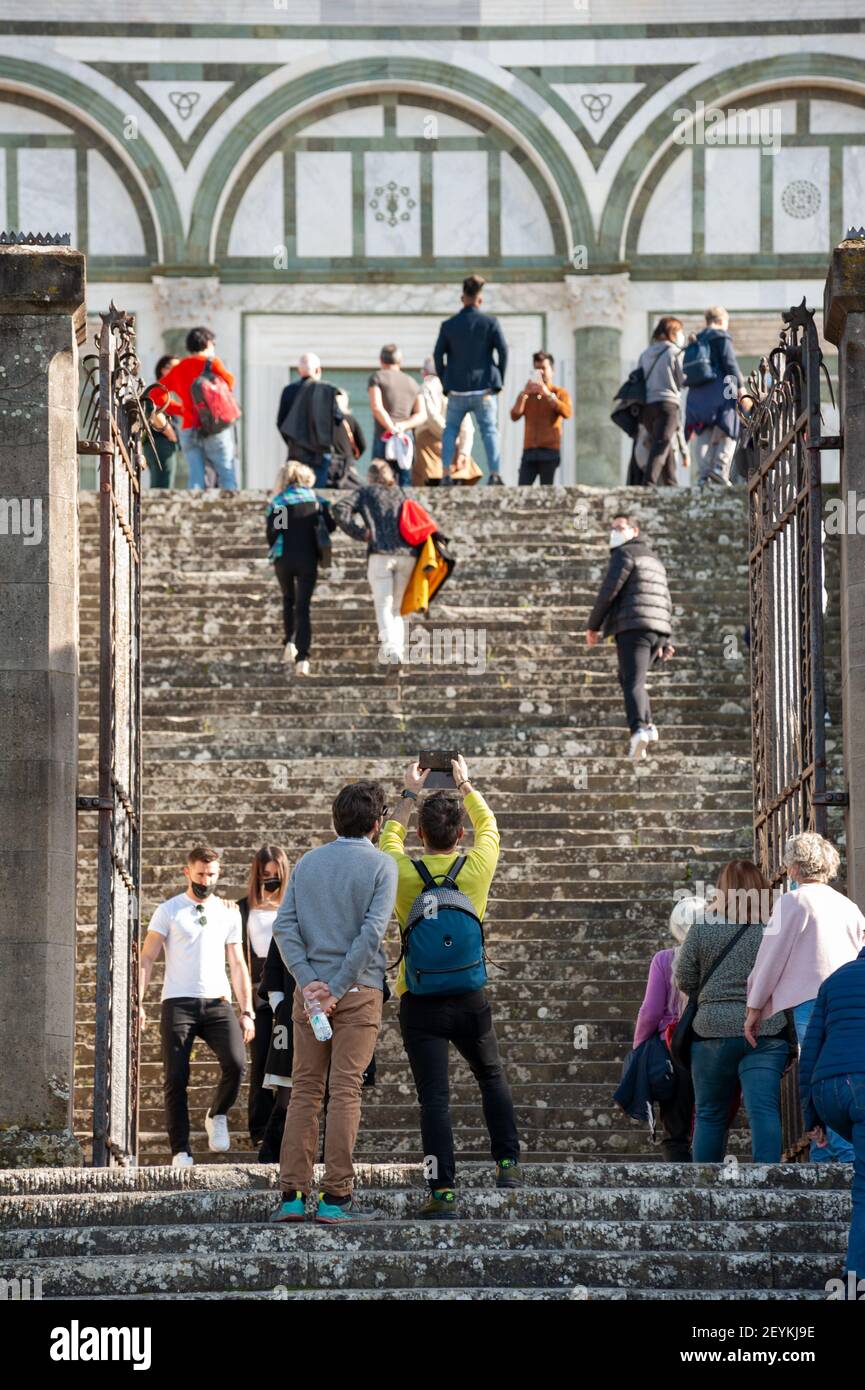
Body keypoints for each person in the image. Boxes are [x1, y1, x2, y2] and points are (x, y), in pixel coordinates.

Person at [380, 757, 521, 1218]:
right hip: (469, 996)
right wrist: (465, 783)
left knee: (434, 1099)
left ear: (420, 835)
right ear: (460, 836)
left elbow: (387, 838)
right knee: (491, 1075)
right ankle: (507, 1163)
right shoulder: (478, 866)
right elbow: (490, 825)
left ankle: (442, 1193)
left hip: (419, 999)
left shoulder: (400, 873)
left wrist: (407, 794)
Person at [270, 780, 398, 1224]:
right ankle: (335, 1197)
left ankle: (291, 1195)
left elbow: (283, 928)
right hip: (358, 991)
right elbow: (371, 934)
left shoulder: (306, 864)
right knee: (345, 1089)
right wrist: (339, 987)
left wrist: (309, 984)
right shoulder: (382, 866)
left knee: (305, 1089)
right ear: (377, 823)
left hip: (310, 995)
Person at [745, 832, 865, 1162]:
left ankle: (839, 1154)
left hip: (812, 1000)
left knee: (819, 1075)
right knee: (837, 1074)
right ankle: (824, 1153)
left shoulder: (792, 902)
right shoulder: (848, 906)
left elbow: (770, 957)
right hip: (849, 1001)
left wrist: (755, 1006)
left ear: (794, 867)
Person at [139, 845, 254, 1167]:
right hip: (178, 1002)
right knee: (175, 1077)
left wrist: (247, 1011)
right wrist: (139, 1002)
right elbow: (147, 956)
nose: (207, 879)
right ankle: (181, 1150)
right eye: (201, 873)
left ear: (219, 874)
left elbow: (237, 962)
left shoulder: (229, 911)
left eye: (212, 874)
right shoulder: (169, 910)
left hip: (218, 1002)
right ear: (187, 872)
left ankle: (216, 1114)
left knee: (236, 1063)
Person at [675, 861, 791, 1163]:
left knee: (710, 1114)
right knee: (763, 1110)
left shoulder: (703, 925)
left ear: (723, 888)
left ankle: (706, 1185)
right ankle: (768, 1181)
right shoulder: (774, 926)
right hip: (766, 1029)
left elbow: (685, 978)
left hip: (712, 1031)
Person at [799, 945, 865, 1283]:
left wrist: (811, 1117)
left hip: (830, 1090)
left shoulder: (835, 979)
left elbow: (809, 1050)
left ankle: (854, 1285)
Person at [585, 513, 674, 760]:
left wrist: (593, 626)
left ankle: (638, 730)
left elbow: (608, 592)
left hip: (632, 626)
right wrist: (666, 637)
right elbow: (664, 599)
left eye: (620, 527)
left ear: (634, 530)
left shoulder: (624, 554)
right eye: (612, 527)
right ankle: (648, 725)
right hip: (656, 629)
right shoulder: (654, 559)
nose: (614, 532)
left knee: (631, 681)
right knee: (631, 678)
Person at [632, 895, 705, 1161]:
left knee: (675, 1128)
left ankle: (680, 1182)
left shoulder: (664, 960)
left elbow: (650, 1011)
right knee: (710, 1118)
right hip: (709, 1043)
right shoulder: (714, 960)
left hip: (671, 1050)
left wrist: (639, 1046)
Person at [332, 461, 415, 664]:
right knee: (398, 607)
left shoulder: (365, 492)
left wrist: (360, 533)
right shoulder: (400, 493)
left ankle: (390, 648)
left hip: (380, 552)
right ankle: (399, 650)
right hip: (406, 554)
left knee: (384, 604)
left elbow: (339, 508)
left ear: (369, 477)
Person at [238, 845, 290, 1153]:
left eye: (275, 875)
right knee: (260, 1061)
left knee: (284, 1061)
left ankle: (282, 1128)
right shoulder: (243, 908)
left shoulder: (291, 908)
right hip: (257, 992)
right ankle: (259, 1128)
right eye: (264, 875)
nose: (270, 880)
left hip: (284, 986)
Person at [434, 273, 509, 486]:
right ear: (480, 299)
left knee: (450, 430)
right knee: (489, 431)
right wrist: (498, 379)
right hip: (484, 388)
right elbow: (503, 351)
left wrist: (444, 380)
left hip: (457, 389)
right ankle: (494, 474)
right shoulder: (490, 322)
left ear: (462, 298)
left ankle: (446, 473)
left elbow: (438, 355)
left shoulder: (449, 325)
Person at [266, 460, 336, 676]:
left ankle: (289, 642)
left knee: (289, 599)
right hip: (308, 559)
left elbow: (274, 534)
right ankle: (303, 658)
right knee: (303, 607)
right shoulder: (316, 501)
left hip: (284, 558)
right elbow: (331, 526)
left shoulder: (280, 502)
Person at [159, 328, 240, 492]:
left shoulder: (180, 368)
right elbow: (230, 383)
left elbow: (155, 394)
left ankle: (193, 513)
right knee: (226, 473)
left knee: (196, 478)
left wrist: (181, 409)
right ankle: (230, 508)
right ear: (208, 343)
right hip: (214, 426)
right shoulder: (213, 363)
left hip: (189, 427)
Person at [684, 306, 744, 489]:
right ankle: (719, 469)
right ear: (721, 321)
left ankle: (703, 476)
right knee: (730, 427)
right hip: (721, 388)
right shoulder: (721, 337)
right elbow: (730, 364)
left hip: (697, 393)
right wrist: (741, 387)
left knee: (703, 431)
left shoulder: (697, 339)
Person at [276, 352, 348, 488]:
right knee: (318, 493)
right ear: (318, 370)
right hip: (321, 454)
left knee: (294, 490)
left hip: (296, 452)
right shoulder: (328, 391)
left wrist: (292, 441)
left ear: (299, 371)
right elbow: (338, 421)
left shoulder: (288, 391)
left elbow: (281, 422)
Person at [636, 317, 685, 487]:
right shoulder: (675, 352)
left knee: (665, 443)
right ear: (672, 332)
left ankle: (671, 483)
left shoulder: (645, 354)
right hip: (668, 405)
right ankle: (648, 484)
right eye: (679, 332)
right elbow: (682, 380)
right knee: (661, 443)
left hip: (648, 407)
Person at [510, 350, 572, 486]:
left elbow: (567, 412)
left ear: (552, 370)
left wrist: (548, 394)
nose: (541, 372)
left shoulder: (559, 392)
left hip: (549, 450)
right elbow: (514, 415)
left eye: (543, 368)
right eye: (537, 369)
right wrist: (524, 394)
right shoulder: (527, 395)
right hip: (529, 450)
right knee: (522, 490)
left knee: (546, 490)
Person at [367, 345, 425, 486]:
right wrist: (403, 426)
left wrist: (391, 428)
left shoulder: (377, 377)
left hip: (385, 434)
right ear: (400, 361)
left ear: (381, 360)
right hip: (406, 437)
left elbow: (377, 407)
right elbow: (422, 414)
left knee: (380, 479)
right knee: (404, 479)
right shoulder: (412, 382)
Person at [412, 356, 474, 487]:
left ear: (424, 372)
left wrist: (449, 436)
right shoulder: (457, 387)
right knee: (458, 485)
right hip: (455, 446)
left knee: (432, 485)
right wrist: (464, 451)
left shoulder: (426, 386)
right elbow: (468, 426)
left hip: (431, 444)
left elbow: (431, 417)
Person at [142, 355, 181, 489]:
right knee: (162, 485)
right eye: (175, 368)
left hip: (160, 442)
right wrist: (171, 434)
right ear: (163, 370)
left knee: (162, 482)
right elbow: (153, 412)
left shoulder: (169, 391)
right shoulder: (159, 389)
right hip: (161, 441)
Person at [329, 389, 365, 488]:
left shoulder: (324, 420)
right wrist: (354, 456)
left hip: (329, 464)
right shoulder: (350, 420)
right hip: (347, 464)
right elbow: (362, 444)